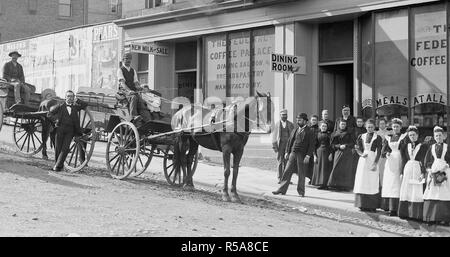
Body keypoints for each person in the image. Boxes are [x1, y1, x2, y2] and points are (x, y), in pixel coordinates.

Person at [272, 113, 315, 197]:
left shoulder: (310, 131)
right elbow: (290, 141)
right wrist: (287, 152)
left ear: (305, 121)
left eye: (300, 119)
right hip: (293, 153)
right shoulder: (295, 130)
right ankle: (281, 190)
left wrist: (308, 156)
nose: (298, 121)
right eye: (297, 119)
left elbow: (312, 145)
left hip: (302, 155)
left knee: (301, 174)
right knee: (287, 171)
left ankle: (301, 192)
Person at [47, 90, 88, 172]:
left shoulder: (75, 107)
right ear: (65, 97)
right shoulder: (60, 106)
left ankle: (57, 166)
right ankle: (58, 166)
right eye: (68, 96)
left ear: (73, 98)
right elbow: (49, 114)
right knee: (58, 149)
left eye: (71, 96)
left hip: (70, 131)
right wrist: (55, 121)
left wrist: (78, 100)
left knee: (65, 149)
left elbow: (85, 104)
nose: (70, 98)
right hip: (60, 129)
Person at [398, 126, 428, 220]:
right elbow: (404, 160)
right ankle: (406, 213)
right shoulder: (405, 146)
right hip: (408, 169)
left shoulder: (423, 146)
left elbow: (424, 160)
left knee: (416, 190)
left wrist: (423, 172)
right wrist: (402, 172)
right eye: (410, 135)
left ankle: (416, 214)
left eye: (414, 135)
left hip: (417, 169)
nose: (412, 136)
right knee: (407, 190)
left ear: (417, 135)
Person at [353, 119, 383, 212]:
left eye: (372, 127)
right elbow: (357, 148)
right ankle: (362, 204)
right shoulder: (361, 136)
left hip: (372, 158)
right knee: (362, 180)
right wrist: (361, 154)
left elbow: (379, 152)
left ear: (374, 127)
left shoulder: (378, 138)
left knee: (372, 181)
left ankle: (372, 205)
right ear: (365, 127)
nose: (370, 129)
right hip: (363, 160)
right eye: (368, 127)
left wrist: (375, 163)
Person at [423, 126, 450, 225]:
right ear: (434, 137)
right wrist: (429, 169)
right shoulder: (432, 147)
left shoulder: (447, 147)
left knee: (444, 191)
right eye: (436, 136)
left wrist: (446, 166)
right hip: (434, 170)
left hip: (445, 170)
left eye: (440, 135)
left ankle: (445, 218)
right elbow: (428, 160)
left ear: (444, 136)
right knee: (432, 192)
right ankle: (432, 217)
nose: (438, 137)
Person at [380, 118, 407, 216]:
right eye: (394, 126)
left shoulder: (404, 137)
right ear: (391, 127)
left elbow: (405, 151)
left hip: (399, 159)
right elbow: (383, 152)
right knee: (389, 183)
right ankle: (388, 207)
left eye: (397, 127)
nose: (395, 128)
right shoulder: (388, 137)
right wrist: (387, 153)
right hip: (390, 161)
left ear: (400, 127)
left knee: (397, 183)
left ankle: (395, 209)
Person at [117, 52, 151, 123]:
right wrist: (129, 91)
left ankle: (147, 119)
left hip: (133, 91)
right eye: (126, 59)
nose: (128, 60)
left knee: (141, 100)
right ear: (123, 60)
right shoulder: (120, 70)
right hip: (123, 92)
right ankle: (133, 116)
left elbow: (136, 83)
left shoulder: (133, 70)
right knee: (134, 97)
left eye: (130, 59)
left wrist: (141, 88)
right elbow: (122, 83)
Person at [328, 120, 355, 191]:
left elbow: (352, 143)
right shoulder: (335, 133)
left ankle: (345, 186)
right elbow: (332, 145)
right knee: (337, 168)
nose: (343, 125)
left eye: (344, 124)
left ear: (346, 125)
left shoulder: (349, 133)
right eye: (341, 124)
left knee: (346, 169)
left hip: (347, 153)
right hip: (338, 152)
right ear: (339, 125)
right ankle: (336, 185)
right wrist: (339, 146)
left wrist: (346, 145)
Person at [271, 109, 295, 183]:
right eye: (283, 115)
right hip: (280, 145)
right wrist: (275, 147)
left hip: (288, 145)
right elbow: (274, 136)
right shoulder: (277, 124)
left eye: (285, 115)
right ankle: (280, 178)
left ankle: (286, 179)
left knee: (287, 162)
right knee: (280, 162)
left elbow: (294, 136)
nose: (284, 116)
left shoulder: (291, 124)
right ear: (280, 115)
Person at [311, 121, 333, 189]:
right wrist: (314, 155)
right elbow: (314, 145)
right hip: (319, 152)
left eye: (325, 126)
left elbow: (331, 145)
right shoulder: (317, 134)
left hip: (327, 152)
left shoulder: (330, 135)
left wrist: (331, 154)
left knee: (326, 168)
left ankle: (325, 184)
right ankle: (320, 183)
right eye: (322, 126)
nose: (324, 127)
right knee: (319, 168)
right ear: (320, 127)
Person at [376, 118, 391, 190]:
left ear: (386, 124)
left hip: (386, 153)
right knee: (379, 170)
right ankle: (379, 185)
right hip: (378, 153)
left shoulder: (389, 133)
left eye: (383, 123)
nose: (382, 125)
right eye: (380, 123)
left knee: (386, 170)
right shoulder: (376, 133)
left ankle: (386, 185)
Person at [351, 116, 366, 188]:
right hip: (355, 150)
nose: (359, 123)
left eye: (361, 122)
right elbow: (351, 139)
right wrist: (354, 145)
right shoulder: (353, 130)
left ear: (363, 123)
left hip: (363, 150)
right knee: (354, 166)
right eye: (358, 122)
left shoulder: (365, 130)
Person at [306, 114, 320, 181]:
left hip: (316, 148)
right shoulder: (307, 128)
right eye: (312, 120)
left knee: (314, 164)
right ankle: (310, 178)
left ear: (317, 121)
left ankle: (314, 179)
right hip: (308, 148)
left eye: (315, 120)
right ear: (310, 121)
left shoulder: (319, 129)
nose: (314, 121)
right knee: (309, 165)